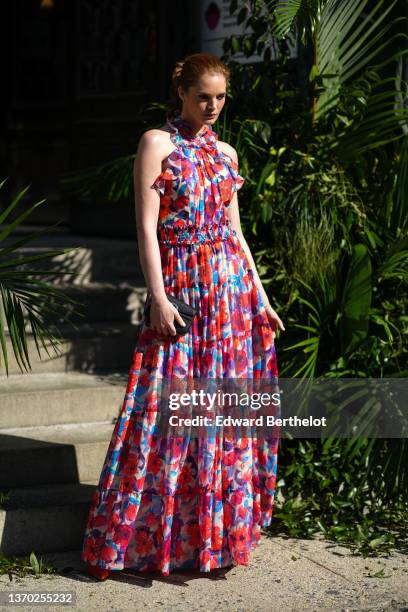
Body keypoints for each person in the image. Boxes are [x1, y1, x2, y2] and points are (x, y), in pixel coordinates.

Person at [82, 52, 285, 581]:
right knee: (163, 409)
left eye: (220, 97)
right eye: (203, 97)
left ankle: (211, 541)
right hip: (183, 291)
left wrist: (260, 297)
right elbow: (146, 228)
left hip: (231, 296)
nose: (213, 106)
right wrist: (157, 295)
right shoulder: (157, 144)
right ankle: (148, 537)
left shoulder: (228, 154)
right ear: (182, 93)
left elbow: (236, 232)